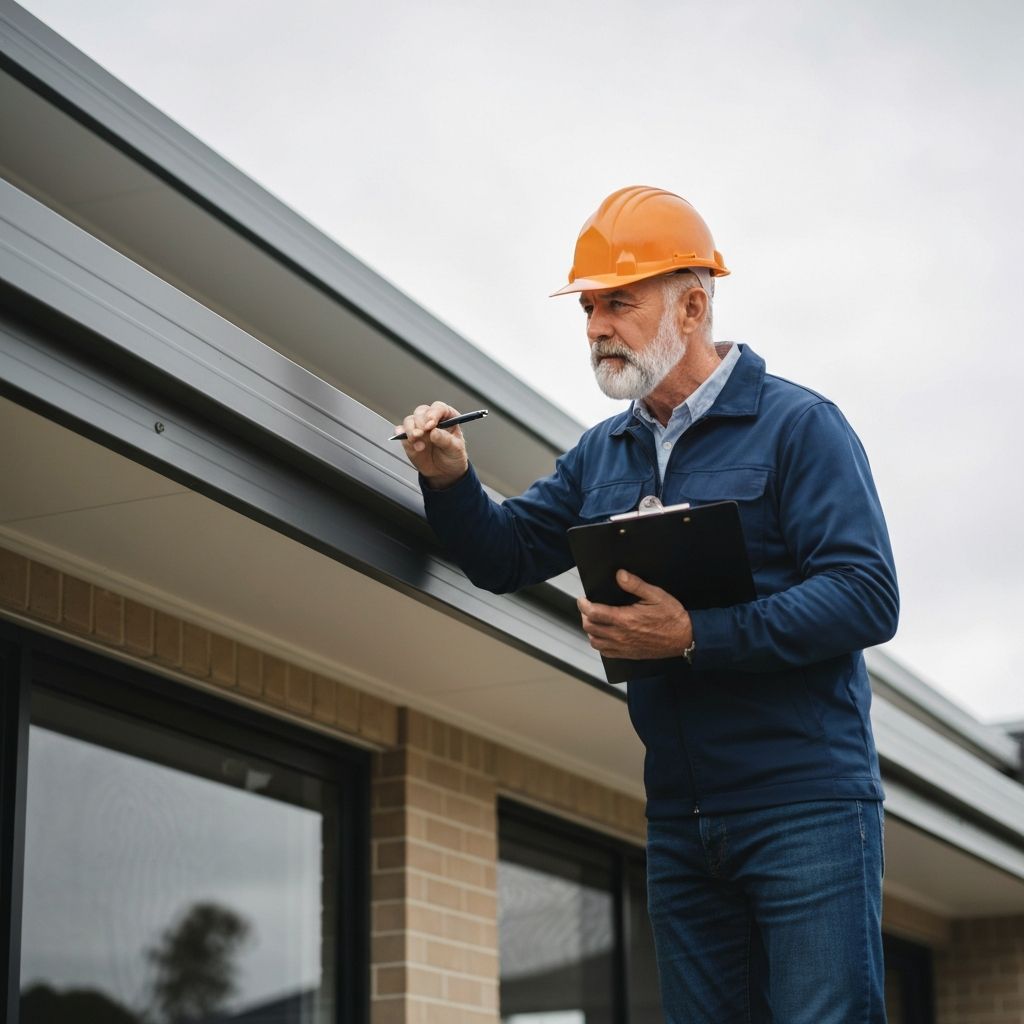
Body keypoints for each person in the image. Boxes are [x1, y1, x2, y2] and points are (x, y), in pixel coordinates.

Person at [396, 185, 898, 1023]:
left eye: (618, 303)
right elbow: (507, 553)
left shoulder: (800, 427)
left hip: (805, 807)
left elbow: (866, 596)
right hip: (681, 820)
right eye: (589, 307)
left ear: (693, 305)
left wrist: (695, 635)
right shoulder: (605, 452)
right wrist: (448, 479)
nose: (595, 326)